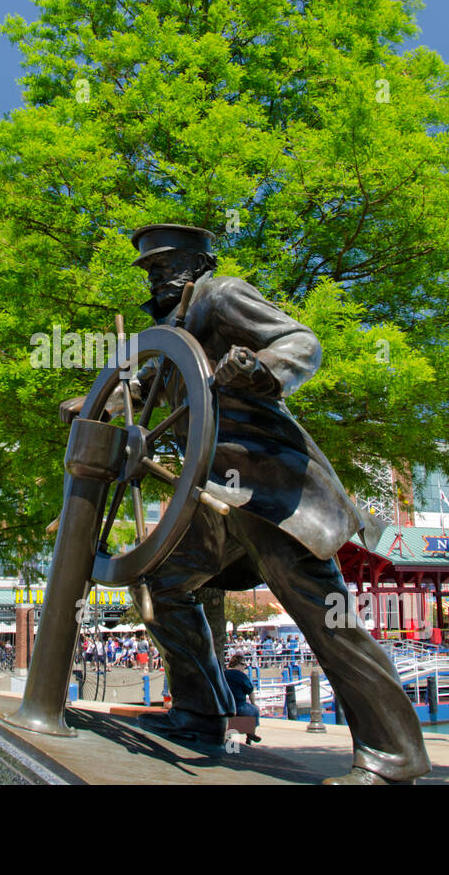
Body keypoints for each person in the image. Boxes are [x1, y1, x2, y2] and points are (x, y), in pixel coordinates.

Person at [59, 223, 429, 785]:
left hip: (269, 490)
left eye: (163, 265)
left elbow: (302, 343)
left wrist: (263, 371)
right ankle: (202, 711)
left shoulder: (222, 296)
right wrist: (97, 404)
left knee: (323, 614)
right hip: (211, 496)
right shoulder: (170, 327)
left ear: (193, 263)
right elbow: (143, 389)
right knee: (160, 583)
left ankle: (393, 754)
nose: (155, 276)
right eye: (149, 269)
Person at [224, 654, 262, 743]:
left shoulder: (224, 673)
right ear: (239, 664)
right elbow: (250, 692)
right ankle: (250, 734)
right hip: (239, 706)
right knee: (255, 710)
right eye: (244, 665)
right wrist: (254, 704)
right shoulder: (241, 676)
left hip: (224, 706)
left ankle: (229, 734)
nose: (244, 667)